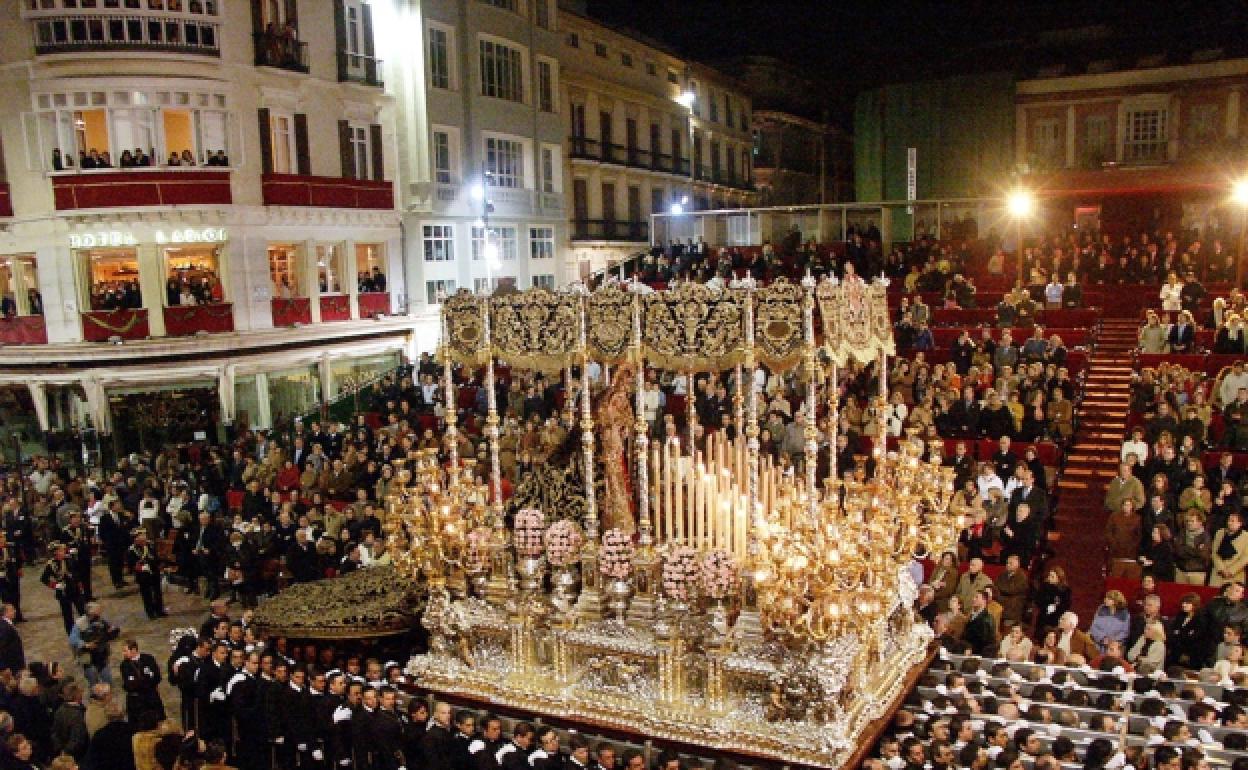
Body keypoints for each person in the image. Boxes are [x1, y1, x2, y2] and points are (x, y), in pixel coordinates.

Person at [120, 640, 164, 724]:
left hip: (151, 698)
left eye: (125, 651)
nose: (123, 653)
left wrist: (140, 682)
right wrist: (146, 681)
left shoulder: (148, 659)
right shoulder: (124, 665)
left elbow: (157, 677)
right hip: (136, 702)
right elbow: (129, 685)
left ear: (133, 650)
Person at [126, 529, 165, 619]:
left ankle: (159, 610)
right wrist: (141, 568)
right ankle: (150, 613)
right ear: (136, 538)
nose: (144, 537)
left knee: (157, 593)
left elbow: (155, 557)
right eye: (142, 535)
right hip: (143, 575)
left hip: (154, 572)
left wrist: (160, 564)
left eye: (144, 535)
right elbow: (131, 564)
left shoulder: (149, 546)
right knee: (147, 594)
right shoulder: (132, 550)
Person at [0, 603, 23, 674]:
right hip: (12, 664)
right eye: (12, 610)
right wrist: (4, 666)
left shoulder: (7, 624)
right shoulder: (4, 627)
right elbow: (2, 647)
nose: (15, 611)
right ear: (6, 613)